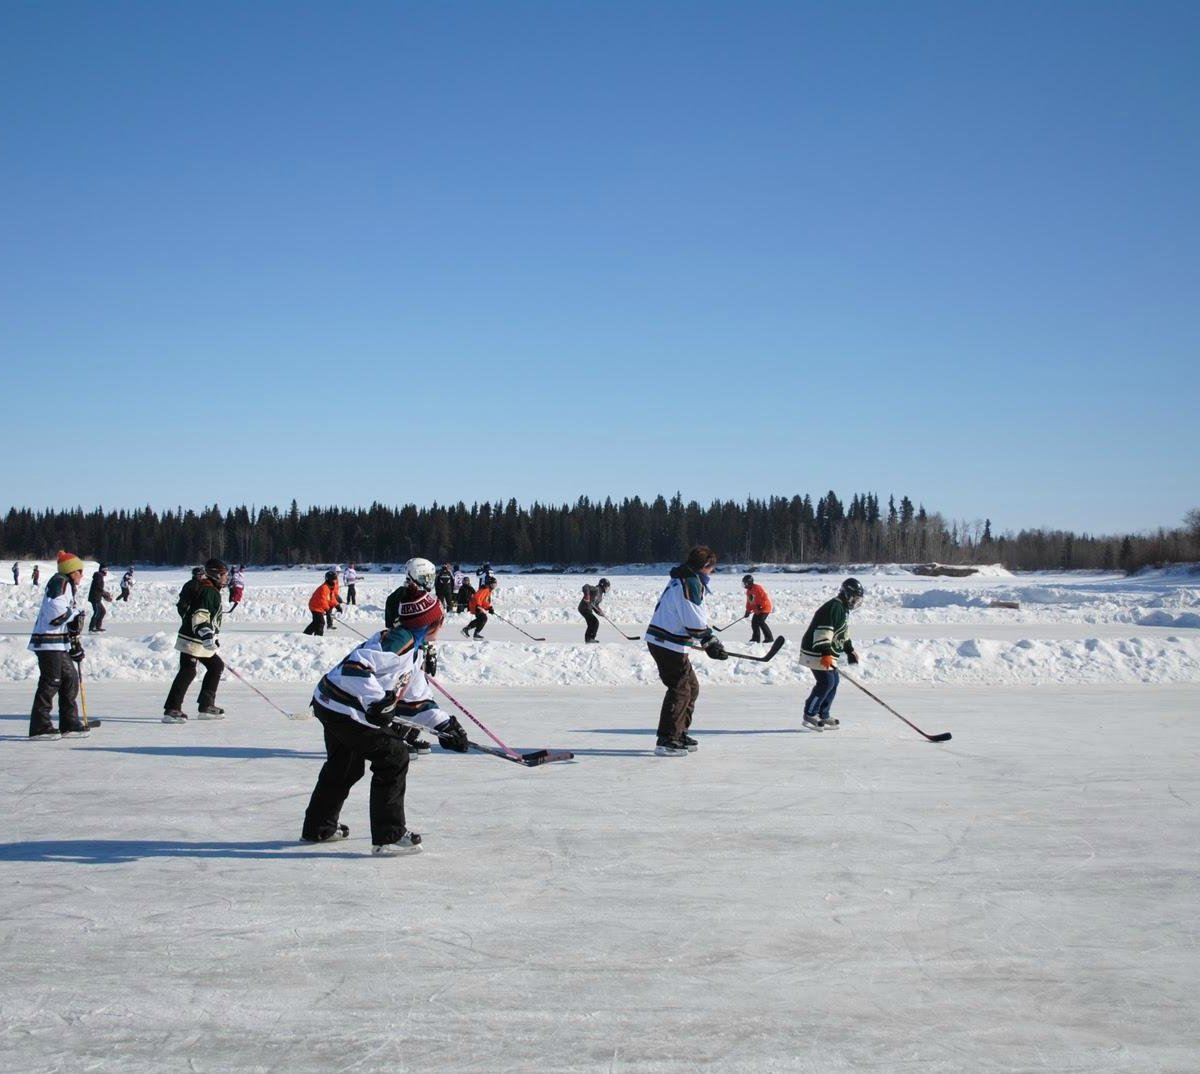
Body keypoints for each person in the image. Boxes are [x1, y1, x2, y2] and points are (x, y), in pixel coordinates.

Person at [301, 561, 469, 855]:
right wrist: (377, 701)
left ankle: (319, 828)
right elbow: (356, 666)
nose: (442, 624)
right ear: (429, 622)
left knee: (345, 766)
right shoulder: (398, 642)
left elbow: (416, 700)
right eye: (439, 620)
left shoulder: (411, 648)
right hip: (344, 707)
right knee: (394, 756)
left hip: (331, 703)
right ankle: (388, 837)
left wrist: (445, 726)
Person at [645, 545, 727, 756]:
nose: (713, 572)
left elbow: (689, 617)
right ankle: (667, 739)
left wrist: (708, 640)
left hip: (669, 642)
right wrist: (709, 641)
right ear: (705, 566)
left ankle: (678, 732)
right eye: (712, 568)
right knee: (680, 689)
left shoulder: (686, 578)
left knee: (691, 687)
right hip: (666, 643)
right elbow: (693, 619)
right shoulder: (689, 582)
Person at [27, 551, 90, 739]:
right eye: (79, 571)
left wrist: (74, 643)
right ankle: (39, 727)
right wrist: (75, 613)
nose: (82, 575)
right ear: (71, 572)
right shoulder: (59, 583)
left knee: (69, 679)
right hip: (47, 643)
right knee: (51, 682)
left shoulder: (67, 585)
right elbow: (55, 616)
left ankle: (69, 722)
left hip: (58, 644)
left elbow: (66, 620)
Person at [163, 558, 229, 722]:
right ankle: (173, 709)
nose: (226, 578)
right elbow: (200, 615)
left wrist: (213, 636)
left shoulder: (211, 590)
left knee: (214, 666)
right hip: (193, 639)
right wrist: (206, 634)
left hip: (197, 639)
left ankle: (206, 706)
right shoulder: (209, 591)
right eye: (223, 574)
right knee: (189, 671)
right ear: (215, 575)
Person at [799, 578, 864, 730]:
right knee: (826, 682)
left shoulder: (842, 609)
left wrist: (849, 650)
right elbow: (823, 632)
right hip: (815, 651)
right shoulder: (833, 607)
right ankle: (810, 714)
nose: (855, 602)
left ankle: (823, 714)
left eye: (858, 599)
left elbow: (842, 632)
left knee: (833, 681)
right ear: (847, 594)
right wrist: (825, 653)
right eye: (854, 598)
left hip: (824, 652)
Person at [304, 571, 340, 636]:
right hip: (315, 606)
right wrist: (327, 609)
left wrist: (337, 605)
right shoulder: (324, 588)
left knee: (316, 622)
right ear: (329, 579)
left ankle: (306, 635)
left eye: (335, 579)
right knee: (320, 622)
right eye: (334, 579)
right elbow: (323, 600)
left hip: (319, 606)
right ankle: (318, 637)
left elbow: (331, 598)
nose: (335, 581)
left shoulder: (330, 587)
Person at [742, 574, 774, 643]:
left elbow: (765, 598)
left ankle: (769, 638)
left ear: (749, 582)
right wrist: (748, 611)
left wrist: (761, 606)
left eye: (745, 583)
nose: (744, 585)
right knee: (754, 623)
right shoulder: (749, 591)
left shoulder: (758, 588)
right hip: (758, 609)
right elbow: (750, 602)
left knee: (761, 622)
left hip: (765, 608)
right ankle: (755, 639)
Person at [578, 577, 611, 643]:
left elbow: (595, 605)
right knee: (595, 622)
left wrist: (599, 612)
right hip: (584, 607)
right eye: (607, 587)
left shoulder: (600, 596)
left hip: (588, 609)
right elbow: (586, 586)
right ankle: (590, 639)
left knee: (592, 623)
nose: (607, 589)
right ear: (602, 585)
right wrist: (587, 595)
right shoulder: (596, 589)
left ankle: (589, 639)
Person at [87, 564, 113, 632]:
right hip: (94, 598)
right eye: (105, 569)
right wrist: (105, 594)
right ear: (102, 570)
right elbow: (98, 587)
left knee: (103, 611)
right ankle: (91, 628)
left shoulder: (100, 576)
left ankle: (97, 626)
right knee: (97, 612)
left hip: (97, 597)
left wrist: (105, 595)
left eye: (107, 569)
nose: (106, 571)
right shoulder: (98, 576)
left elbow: (99, 588)